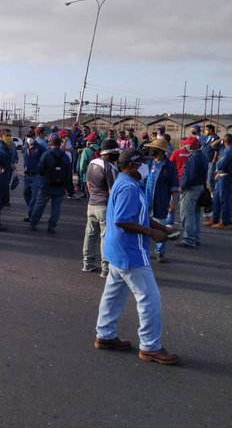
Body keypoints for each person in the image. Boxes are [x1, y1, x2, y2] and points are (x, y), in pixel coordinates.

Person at [94, 148, 179, 365]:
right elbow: (122, 220)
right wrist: (153, 234)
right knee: (149, 299)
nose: (146, 167)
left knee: (113, 295)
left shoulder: (127, 183)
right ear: (132, 166)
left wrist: (162, 227)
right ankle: (150, 346)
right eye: (142, 163)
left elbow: (138, 216)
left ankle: (105, 335)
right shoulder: (128, 188)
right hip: (130, 251)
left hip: (118, 250)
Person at [82, 138, 120, 277]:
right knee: (105, 237)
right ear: (109, 153)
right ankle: (105, 268)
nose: (118, 155)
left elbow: (88, 184)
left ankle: (87, 263)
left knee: (90, 234)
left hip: (92, 203)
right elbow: (112, 191)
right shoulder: (110, 167)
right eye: (116, 152)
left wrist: (93, 196)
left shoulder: (93, 162)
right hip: (104, 205)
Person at [143, 138, 179, 263]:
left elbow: (174, 187)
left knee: (161, 227)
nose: (151, 150)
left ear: (161, 151)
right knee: (144, 226)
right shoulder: (149, 163)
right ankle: (144, 250)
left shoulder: (169, 167)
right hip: (146, 201)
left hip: (161, 202)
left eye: (154, 149)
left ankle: (160, 252)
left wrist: (173, 203)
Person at [29, 136, 71, 234]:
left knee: (39, 205)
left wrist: (44, 177)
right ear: (60, 144)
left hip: (46, 185)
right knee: (56, 208)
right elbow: (68, 173)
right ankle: (51, 226)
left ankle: (33, 223)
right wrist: (66, 187)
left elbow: (39, 169)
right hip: (59, 186)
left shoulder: (46, 154)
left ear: (50, 143)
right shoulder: (65, 156)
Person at [175, 136, 209, 248]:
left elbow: (190, 175)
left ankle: (189, 238)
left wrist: (182, 186)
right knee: (196, 214)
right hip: (199, 187)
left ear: (190, 146)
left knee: (187, 214)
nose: (184, 146)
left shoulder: (194, 158)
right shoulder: (202, 156)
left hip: (191, 188)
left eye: (186, 144)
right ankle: (195, 237)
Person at [205, 134, 232, 229]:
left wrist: (217, 169)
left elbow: (221, 164)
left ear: (224, 141)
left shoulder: (228, 151)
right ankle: (215, 218)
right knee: (216, 199)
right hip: (225, 177)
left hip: (225, 177)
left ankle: (225, 222)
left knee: (225, 200)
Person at [22, 131, 47, 222]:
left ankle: (31, 214)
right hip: (26, 174)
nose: (29, 138)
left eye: (31, 136)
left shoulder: (40, 147)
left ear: (34, 136)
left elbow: (46, 158)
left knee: (34, 196)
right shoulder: (25, 147)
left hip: (36, 175)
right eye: (28, 136)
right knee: (25, 193)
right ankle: (31, 211)